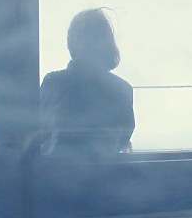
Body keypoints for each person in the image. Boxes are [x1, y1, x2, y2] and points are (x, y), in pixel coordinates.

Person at [40, 8, 135, 159]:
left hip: (59, 171)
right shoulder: (123, 89)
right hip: (107, 172)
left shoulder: (54, 83)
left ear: (72, 42)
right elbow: (122, 140)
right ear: (108, 43)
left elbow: (41, 135)